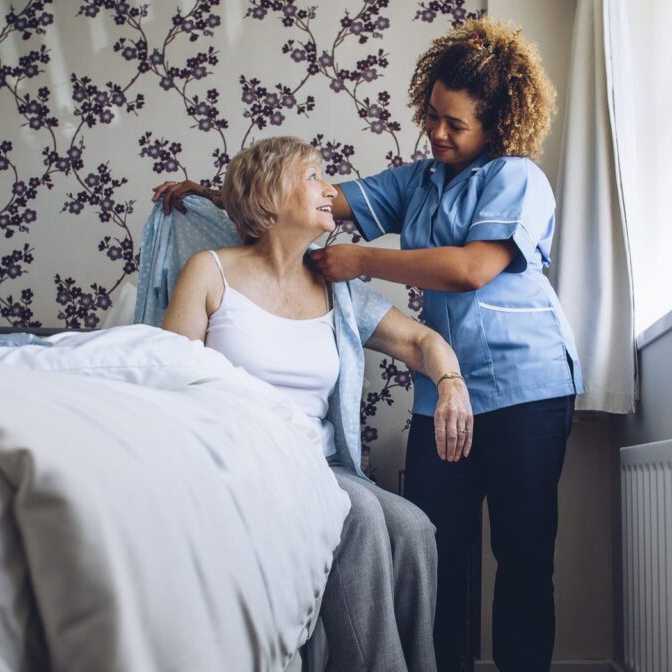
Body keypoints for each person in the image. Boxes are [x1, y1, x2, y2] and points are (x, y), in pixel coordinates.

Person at [154, 16, 583, 672]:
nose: (438, 132)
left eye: (456, 124)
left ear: (496, 125)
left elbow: (472, 268)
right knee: (435, 545)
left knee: (523, 555)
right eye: (433, 116)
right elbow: (302, 198)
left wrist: (364, 262)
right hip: (440, 394)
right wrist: (213, 193)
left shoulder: (518, 179)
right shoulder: (418, 181)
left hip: (527, 385)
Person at [156, 136, 473, 672]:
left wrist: (451, 381)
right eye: (314, 177)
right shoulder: (209, 272)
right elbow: (170, 380)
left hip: (317, 465)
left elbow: (422, 342)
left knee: (416, 528)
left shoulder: (337, 291)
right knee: (364, 513)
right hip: (243, 462)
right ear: (269, 193)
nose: (331, 190)